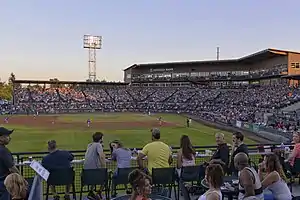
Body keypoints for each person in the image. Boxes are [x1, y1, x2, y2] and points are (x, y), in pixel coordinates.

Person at [83, 132, 106, 200]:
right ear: (100, 139)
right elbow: (101, 157)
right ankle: (99, 193)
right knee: (106, 177)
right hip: (93, 173)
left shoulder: (89, 145)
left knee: (95, 174)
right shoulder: (98, 145)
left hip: (86, 174)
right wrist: (104, 167)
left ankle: (91, 192)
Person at [0, 127, 19, 200]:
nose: (9, 138)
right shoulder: (3, 151)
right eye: (7, 136)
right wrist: (22, 179)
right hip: (3, 183)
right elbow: (12, 168)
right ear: (1, 138)